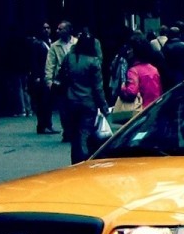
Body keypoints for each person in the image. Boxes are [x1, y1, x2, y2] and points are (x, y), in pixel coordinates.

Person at [59, 31, 106, 162]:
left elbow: (62, 76)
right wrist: (103, 106)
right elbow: (98, 87)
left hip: (71, 100)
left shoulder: (69, 57)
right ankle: (83, 159)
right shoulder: (94, 61)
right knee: (84, 133)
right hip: (88, 101)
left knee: (74, 134)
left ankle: (75, 160)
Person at [116, 39, 164, 123]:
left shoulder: (133, 71)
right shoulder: (153, 69)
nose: (128, 52)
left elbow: (131, 92)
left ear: (136, 51)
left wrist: (122, 88)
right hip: (154, 108)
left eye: (130, 49)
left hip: (141, 112)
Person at [26, 24, 57, 133]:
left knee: (48, 102)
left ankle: (47, 124)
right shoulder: (37, 44)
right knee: (42, 102)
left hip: (49, 75)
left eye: (48, 28)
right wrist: (36, 76)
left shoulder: (50, 42)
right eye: (44, 28)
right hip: (41, 76)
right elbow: (34, 61)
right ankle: (43, 125)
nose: (46, 30)